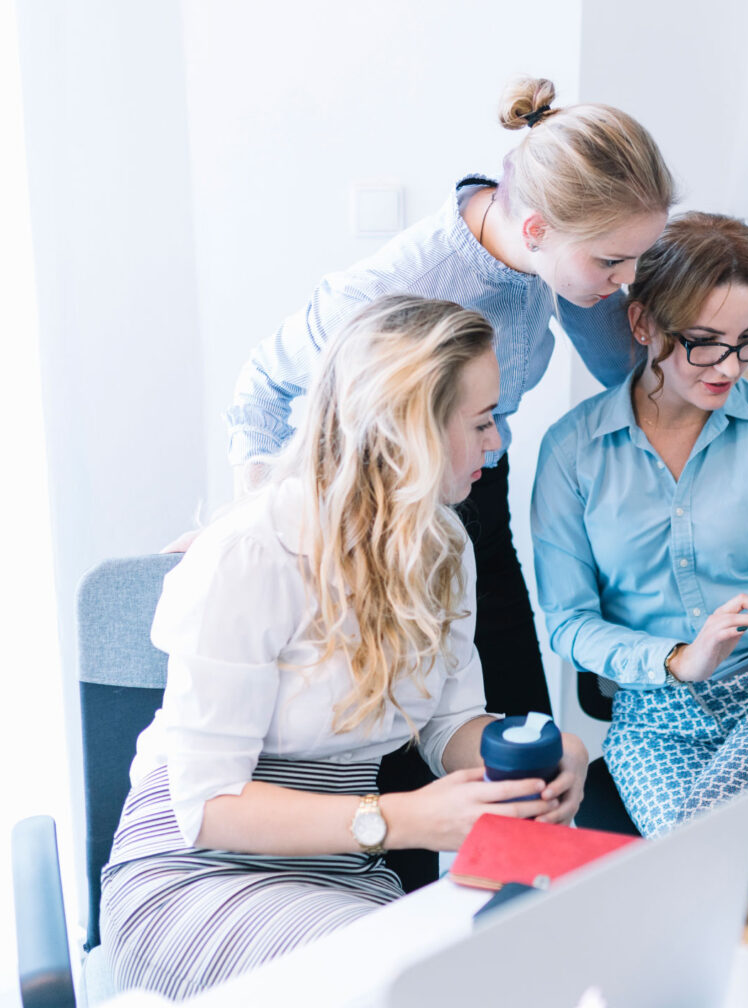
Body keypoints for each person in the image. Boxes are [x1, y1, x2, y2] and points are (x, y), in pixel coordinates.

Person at [102, 296, 589, 1000]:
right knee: (414, 985)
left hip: (343, 863)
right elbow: (207, 808)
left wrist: (545, 748)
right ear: (409, 432)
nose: (497, 444)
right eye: (482, 421)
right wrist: (407, 819)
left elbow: (449, 725)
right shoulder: (252, 555)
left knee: (492, 971)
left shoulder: (445, 545)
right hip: (196, 870)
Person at [223, 75, 673, 724]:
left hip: (484, 503)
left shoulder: (556, 259)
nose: (626, 280)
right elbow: (260, 385)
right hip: (391, 527)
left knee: (527, 742)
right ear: (538, 228)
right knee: (415, 751)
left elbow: (620, 367)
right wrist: (261, 526)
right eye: (612, 262)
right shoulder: (405, 284)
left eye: (637, 258)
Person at [530, 213, 748, 838]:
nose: (731, 366)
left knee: (700, 852)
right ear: (643, 324)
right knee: (706, 853)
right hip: (656, 717)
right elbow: (568, 622)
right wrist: (678, 658)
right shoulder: (571, 451)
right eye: (706, 341)